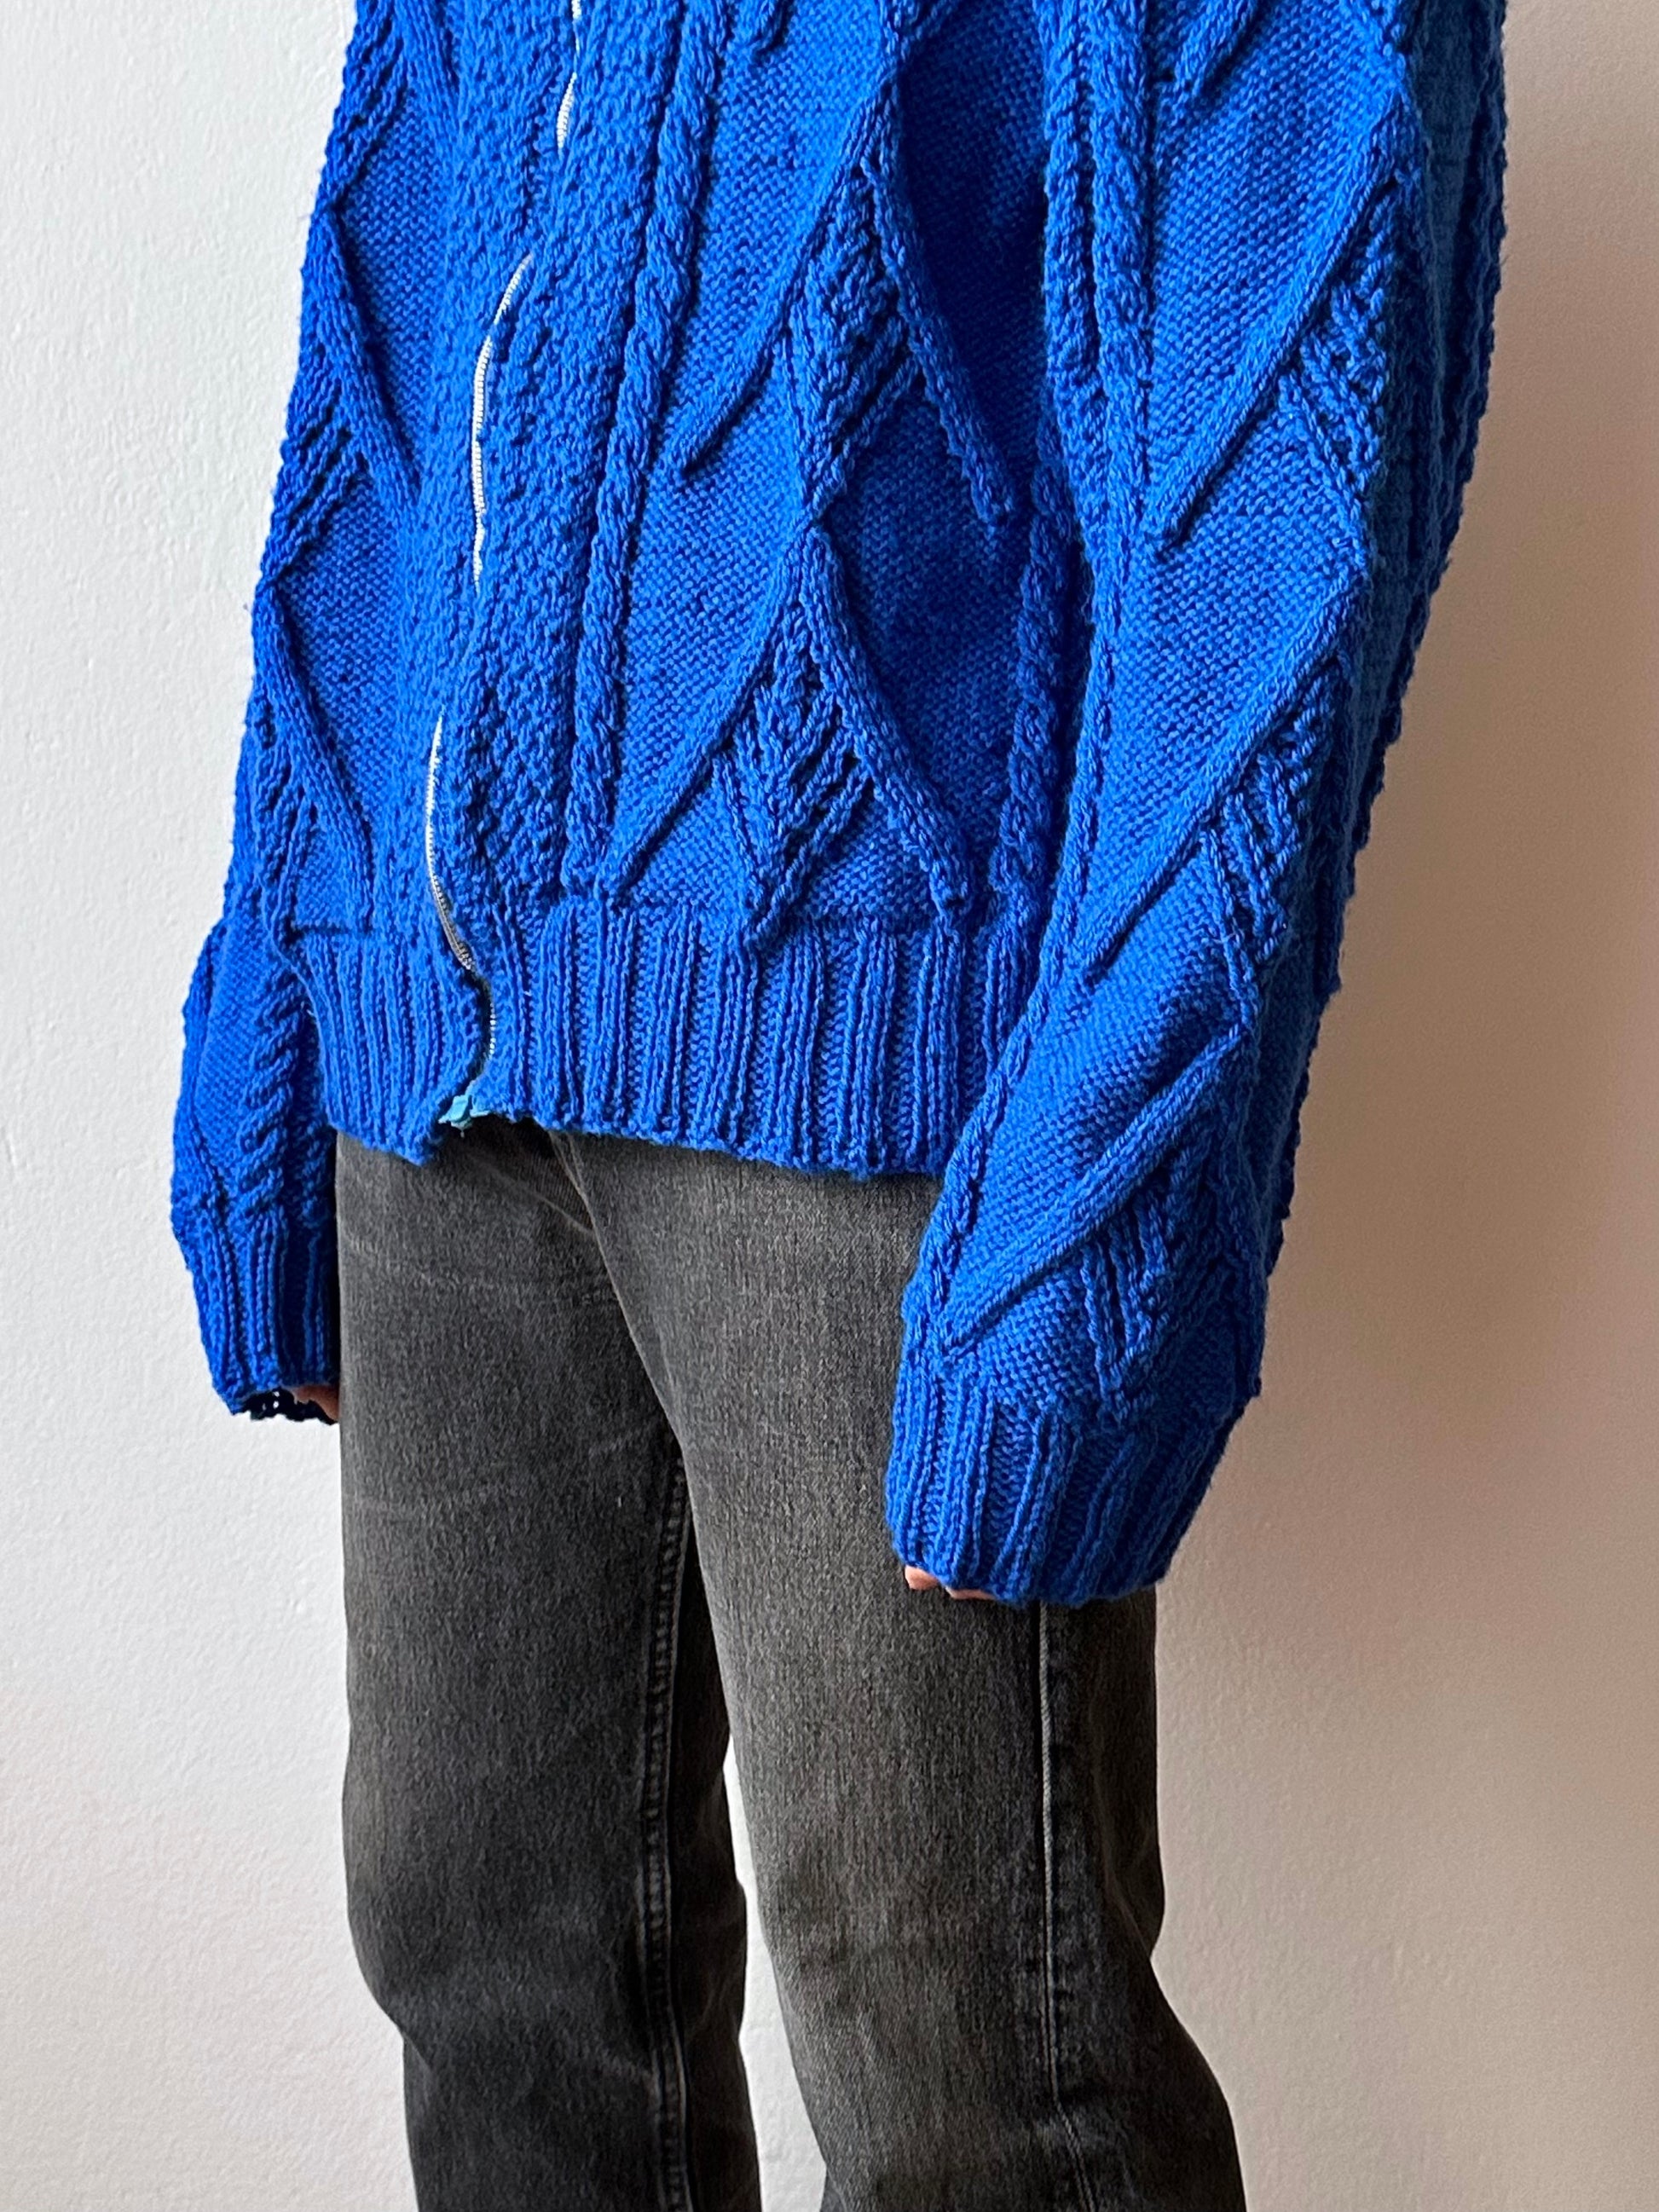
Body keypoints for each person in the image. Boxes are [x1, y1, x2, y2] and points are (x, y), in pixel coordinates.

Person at [171, 0, 1507, 2203]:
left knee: (971, 2075)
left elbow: (1281, 500)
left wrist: (1107, 1207)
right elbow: (392, 288)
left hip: (884, 1096)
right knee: (487, 1979)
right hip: (434, 1064)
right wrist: (284, 980)